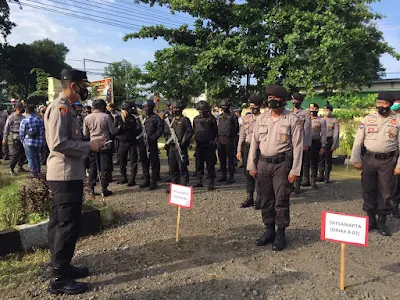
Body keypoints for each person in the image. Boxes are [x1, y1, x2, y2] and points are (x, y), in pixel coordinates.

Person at [45, 69, 105, 295]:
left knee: (61, 221)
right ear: (72, 85)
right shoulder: (59, 108)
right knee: (66, 224)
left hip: (69, 173)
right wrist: (88, 146)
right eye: (82, 85)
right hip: (64, 174)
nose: (85, 89)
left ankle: (62, 266)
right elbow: (58, 143)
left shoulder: (68, 108)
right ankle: (59, 278)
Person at [247, 84, 303, 251]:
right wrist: (252, 164)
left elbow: (298, 146)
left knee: (281, 199)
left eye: (275, 99)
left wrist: (295, 170)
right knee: (265, 198)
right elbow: (254, 144)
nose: (272, 101)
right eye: (270, 98)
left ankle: (280, 234)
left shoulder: (292, 119)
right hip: (263, 164)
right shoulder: (261, 119)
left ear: (283, 101)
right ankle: (269, 230)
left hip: (282, 164)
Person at [351, 91, 400, 237]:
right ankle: (371, 220)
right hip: (369, 159)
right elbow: (358, 140)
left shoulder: (397, 120)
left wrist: (399, 165)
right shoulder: (368, 119)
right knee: (368, 189)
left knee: (385, 191)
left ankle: (382, 222)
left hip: (387, 161)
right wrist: (356, 158)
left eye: (384, 103)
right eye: (379, 103)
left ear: (390, 105)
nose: (381, 106)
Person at [83, 99, 118, 197]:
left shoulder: (87, 118)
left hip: (93, 144)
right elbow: (112, 131)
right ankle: (104, 188)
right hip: (105, 144)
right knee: (104, 167)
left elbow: (85, 134)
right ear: (102, 107)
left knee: (93, 167)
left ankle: (91, 189)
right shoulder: (106, 117)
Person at [238, 95, 264, 209]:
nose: (252, 108)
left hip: (260, 148)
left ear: (259, 106)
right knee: (248, 173)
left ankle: (259, 199)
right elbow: (242, 135)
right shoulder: (246, 119)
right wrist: (239, 150)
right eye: (251, 106)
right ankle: (249, 197)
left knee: (258, 174)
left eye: (255, 106)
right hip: (248, 148)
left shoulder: (264, 119)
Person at [165, 100, 194, 187]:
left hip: (181, 147)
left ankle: (183, 184)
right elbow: (166, 132)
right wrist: (168, 141)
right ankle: (174, 185)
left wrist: (184, 142)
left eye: (177, 108)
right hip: (172, 147)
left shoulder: (185, 120)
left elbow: (190, 132)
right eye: (174, 108)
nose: (175, 110)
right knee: (172, 167)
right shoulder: (170, 121)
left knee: (182, 167)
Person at [193, 100, 217, 190]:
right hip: (199, 144)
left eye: (203, 111)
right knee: (199, 163)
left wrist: (213, 141)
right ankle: (199, 181)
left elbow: (215, 131)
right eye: (200, 111)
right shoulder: (196, 119)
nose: (201, 112)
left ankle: (211, 182)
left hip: (209, 144)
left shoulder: (211, 118)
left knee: (210, 164)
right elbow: (194, 129)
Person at [291, 93, 312, 194]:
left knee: (299, 163)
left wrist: (306, 144)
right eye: (293, 100)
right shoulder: (288, 113)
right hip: (289, 143)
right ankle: (289, 185)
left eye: (296, 100)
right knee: (289, 163)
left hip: (300, 142)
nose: (294, 102)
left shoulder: (305, 113)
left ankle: (297, 186)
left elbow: (307, 129)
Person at [302, 103, 327, 189]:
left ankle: (313, 180)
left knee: (314, 162)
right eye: (310, 108)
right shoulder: (305, 119)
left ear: (317, 109)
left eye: (313, 108)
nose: (311, 109)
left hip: (315, 142)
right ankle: (305, 180)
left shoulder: (321, 120)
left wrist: (323, 146)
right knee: (305, 162)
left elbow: (323, 134)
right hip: (305, 142)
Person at [114, 101, 139, 186]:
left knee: (133, 161)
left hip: (132, 142)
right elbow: (114, 131)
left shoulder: (133, 118)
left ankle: (132, 179)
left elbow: (136, 129)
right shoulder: (118, 118)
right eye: (127, 109)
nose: (129, 111)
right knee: (122, 161)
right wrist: (120, 127)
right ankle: (124, 177)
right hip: (122, 142)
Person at [140, 100, 163, 190]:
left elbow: (160, 130)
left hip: (152, 144)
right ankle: (146, 180)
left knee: (154, 163)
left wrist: (153, 137)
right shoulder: (142, 118)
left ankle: (154, 181)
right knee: (144, 163)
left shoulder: (156, 118)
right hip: (143, 144)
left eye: (147, 107)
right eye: (144, 107)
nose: (145, 109)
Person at [217, 99, 239, 184]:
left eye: (225, 106)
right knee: (222, 159)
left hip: (229, 140)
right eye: (223, 106)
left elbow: (236, 128)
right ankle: (223, 175)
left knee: (230, 159)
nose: (224, 107)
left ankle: (231, 176)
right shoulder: (221, 116)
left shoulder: (233, 116)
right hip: (220, 139)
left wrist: (232, 136)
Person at [19, 105, 45, 178]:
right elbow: (42, 131)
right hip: (38, 141)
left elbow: (21, 133)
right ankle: (38, 171)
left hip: (28, 141)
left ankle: (34, 173)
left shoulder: (24, 121)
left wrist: (22, 141)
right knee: (37, 157)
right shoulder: (39, 120)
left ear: (26, 112)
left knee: (30, 157)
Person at [318, 102, 339, 183]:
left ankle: (327, 177)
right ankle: (320, 175)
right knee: (320, 158)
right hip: (320, 140)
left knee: (328, 159)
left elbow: (336, 133)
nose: (326, 111)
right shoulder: (319, 119)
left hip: (329, 140)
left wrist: (334, 144)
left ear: (331, 111)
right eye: (325, 110)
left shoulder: (334, 120)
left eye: (328, 110)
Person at [3, 102, 27, 175]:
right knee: (16, 154)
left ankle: (20, 166)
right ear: (17, 109)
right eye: (21, 108)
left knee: (23, 153)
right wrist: (5, 138)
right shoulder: (11, 117)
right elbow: (6, 128)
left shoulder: (23, 117)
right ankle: (11, 168)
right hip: (16, 137)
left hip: (23, 138)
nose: (22, 109)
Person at [391, 92, 400, 218]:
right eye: (396, 101)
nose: (397, 103)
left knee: (398, 180)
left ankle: (395, 205)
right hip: (390, 152)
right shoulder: (388, 117)